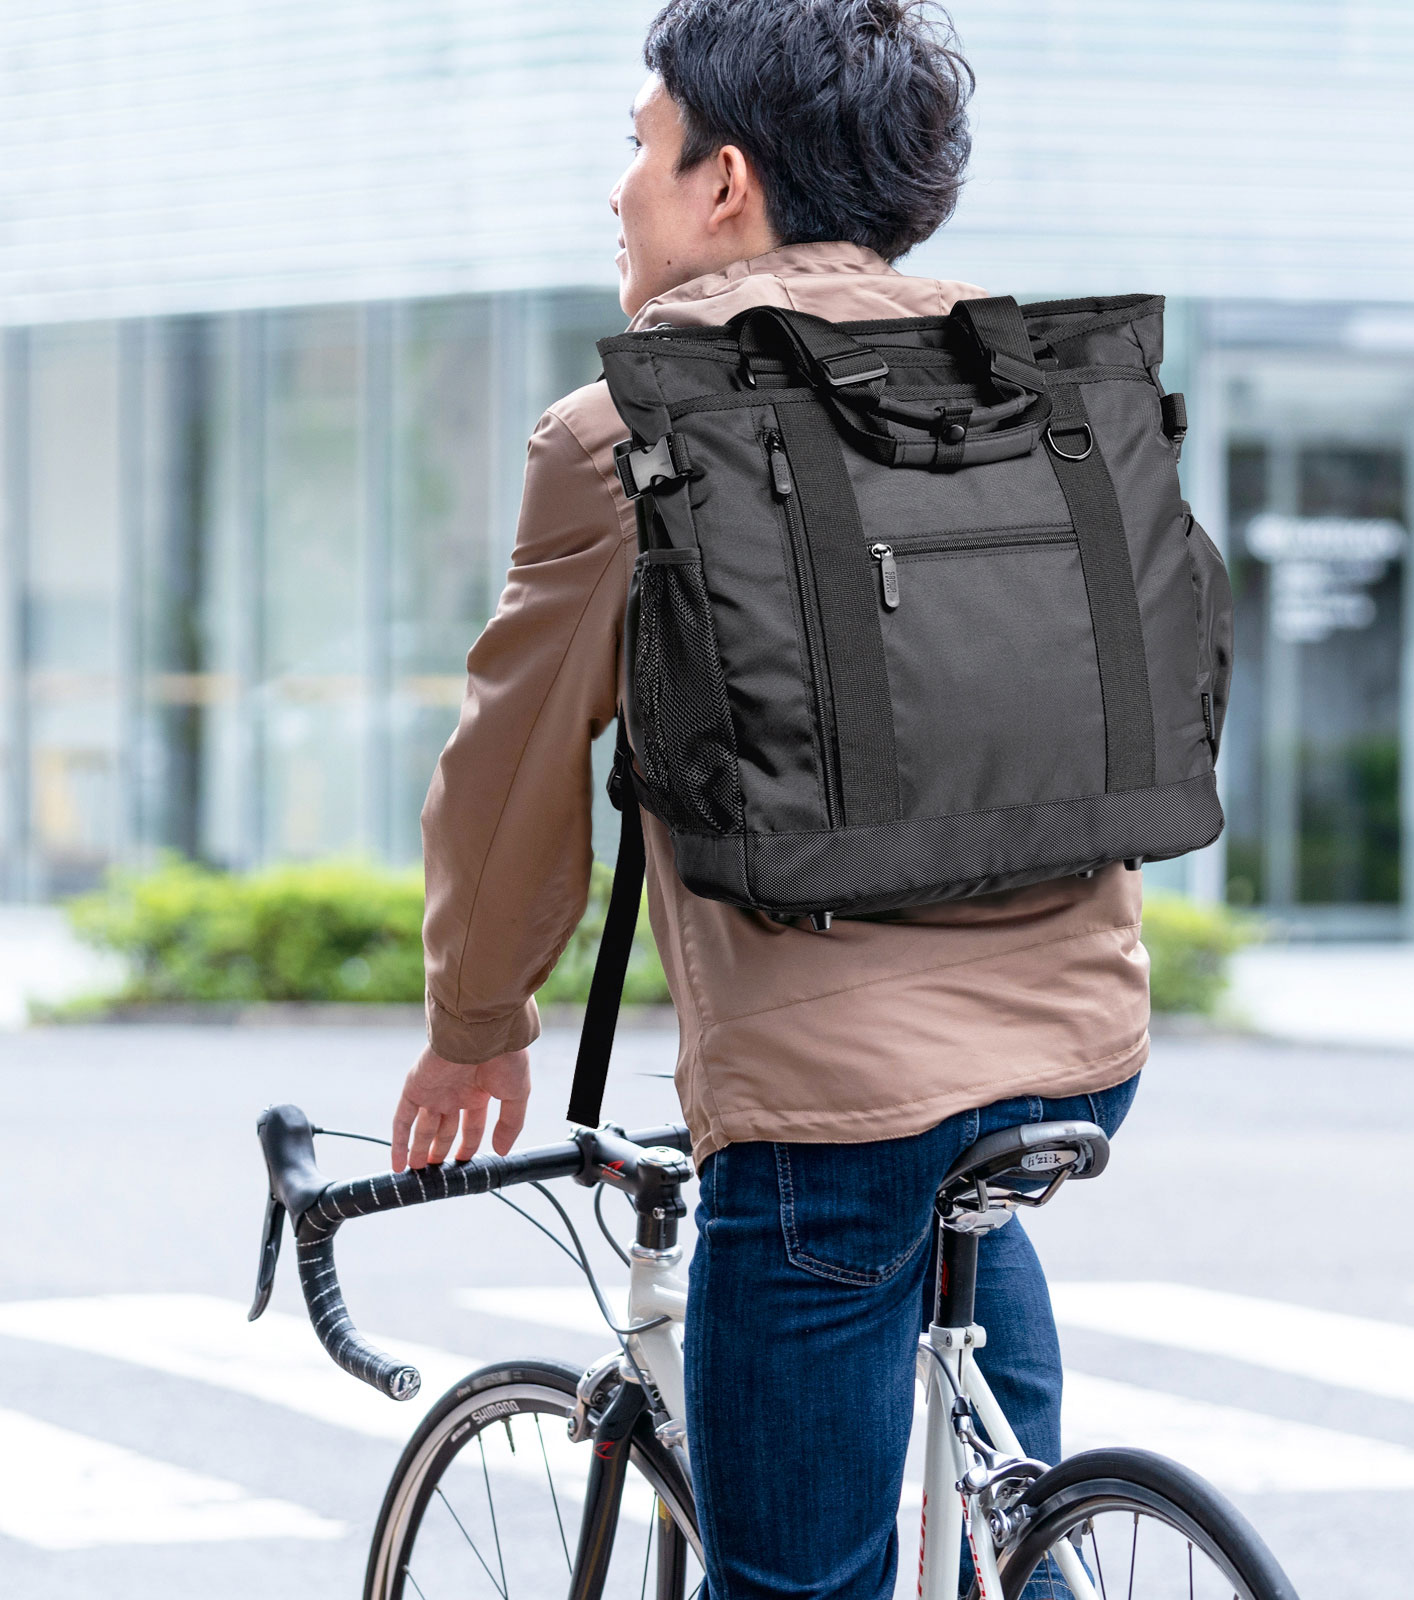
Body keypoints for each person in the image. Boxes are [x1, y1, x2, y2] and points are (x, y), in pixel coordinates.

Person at [389, 3, 1147, 1595]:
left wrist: (476, 1026)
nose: (618, 190)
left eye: (639, 147)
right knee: (981, 1459)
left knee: (798, 1574)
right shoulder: (1020, 379)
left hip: (829, 1105)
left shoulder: (626, 429)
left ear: (724, 181)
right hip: (1081, 1047)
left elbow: (510, 780)